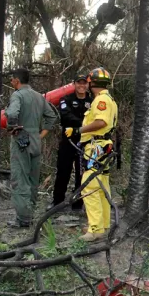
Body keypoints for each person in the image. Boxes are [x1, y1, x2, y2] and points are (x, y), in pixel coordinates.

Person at [65, 67, 118, 242]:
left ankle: (94, 229)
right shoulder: (107, 99)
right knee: (102, 187)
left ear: (92, 82)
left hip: (97, 147)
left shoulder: (100, 100)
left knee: (89, 186)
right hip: (102, 147)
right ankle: (102, 226)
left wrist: (78, 130)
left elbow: (100, 121)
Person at [5, 68, 57, 228]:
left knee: (20, 178)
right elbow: (52, 116)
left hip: (22, 139)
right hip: (35, 139)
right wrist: (41, 134)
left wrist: (14, 128)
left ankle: (23, 219)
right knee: (33, 179)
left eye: (12, 79)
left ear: (16, 80)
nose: (11, 82)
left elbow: (12, 113)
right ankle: (30, 213)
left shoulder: (17, 95)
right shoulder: (38, 96)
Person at [47, 73, 93, 212]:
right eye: (79, 83)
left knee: (82, 173)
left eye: (84, 83)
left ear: (88, 85)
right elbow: (66, 116)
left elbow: (96, 119)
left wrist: (84, 128)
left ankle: (78, 203)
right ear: (74, 84)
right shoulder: (65, 99)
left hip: (85, 142)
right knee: (63, 172)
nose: (81, 85)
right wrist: (84, 125)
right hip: (68, 141)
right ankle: (57, 202)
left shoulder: (92, 101)